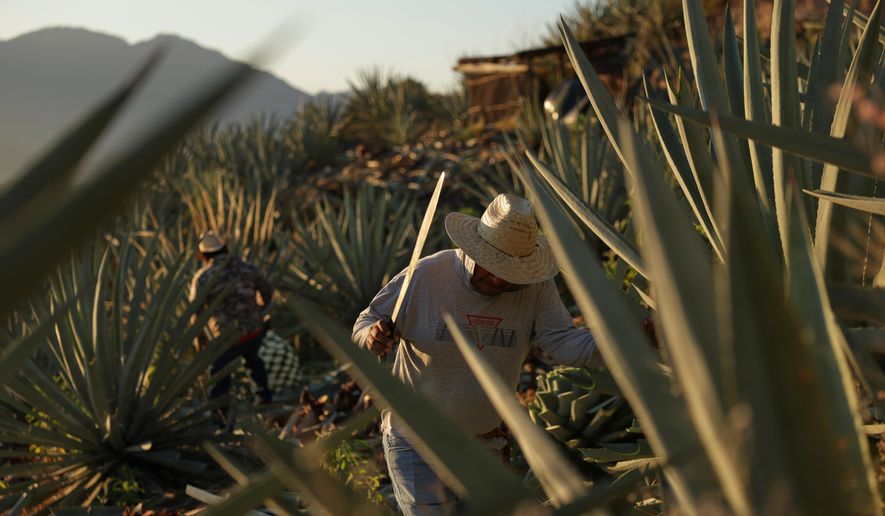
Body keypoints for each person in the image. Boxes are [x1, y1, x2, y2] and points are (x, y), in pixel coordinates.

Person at [352, 193, 603, 515]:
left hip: (485, 444)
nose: (497, 278)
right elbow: (366, 321)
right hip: (415, 441)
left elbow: (563, 342)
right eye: (491, 266)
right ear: (472, 249)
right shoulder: (427, 275)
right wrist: (372, 337)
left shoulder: (534, 287)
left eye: (509, 272)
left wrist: (633, 340)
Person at [189, 230, 274, 405]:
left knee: (220, 374)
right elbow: (267, 292)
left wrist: (200, 339)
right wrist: (258, 309)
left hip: (227, 336)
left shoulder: (203, 277)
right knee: (253, 361)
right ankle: (264, 399)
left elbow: (195, 312)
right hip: (254, 330)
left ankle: (221, 416)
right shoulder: (248, 268)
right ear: (226, 248)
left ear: (204, 255)